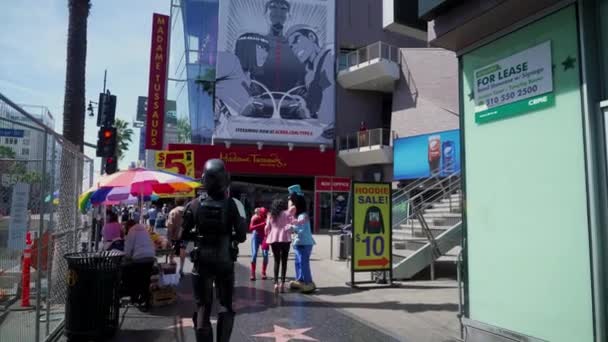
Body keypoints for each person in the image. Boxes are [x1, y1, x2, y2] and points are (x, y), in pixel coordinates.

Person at [182, 159, 247, 342]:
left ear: (204, 179)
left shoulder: (194, 205)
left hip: (201, 262)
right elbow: (242, 235)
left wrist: (196, 241)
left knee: (202, 305)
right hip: (225, 261)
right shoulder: (233, 205)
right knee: (225, 305)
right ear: (225, 179)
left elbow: (183, 235)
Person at [286, 25, 335, 125]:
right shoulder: (308, 75)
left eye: (296, 40)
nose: (294, 48)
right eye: (291, 46)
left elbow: (328, 96)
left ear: (311, 37)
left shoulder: (328, 59)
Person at [287, 186, 316, 293]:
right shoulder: (299, 216)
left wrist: (291, 228)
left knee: (303, 262)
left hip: (305, 243)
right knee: (298, 262)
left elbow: (301, 230)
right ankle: (300, 280)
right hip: (299, 243)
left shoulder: (303, 216)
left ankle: (309, 282)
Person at [122, 220, 156, 311]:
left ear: (128, 226)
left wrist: (127, 256)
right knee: (146, 279)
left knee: (136, 279)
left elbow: (128, 249)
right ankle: (146, 300)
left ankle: (136, 298)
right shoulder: (144, 229)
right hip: (150, 257)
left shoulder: (131, 231)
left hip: (139, 259)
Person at [265, 197, 293, 293]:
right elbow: (291, 225)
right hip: (285, 238)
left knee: (276, 261)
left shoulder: (270, 215)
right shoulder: (287, 213)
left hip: (274, 238)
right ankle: (282, 283)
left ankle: (276, 283)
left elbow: (267, 228)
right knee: (284, 261)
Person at [167, 198, 187, 276]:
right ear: (184, 202)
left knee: (171, 252)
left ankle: (171, 269)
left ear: (175, 202)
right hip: (187, 237)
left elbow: (170, 226)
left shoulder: (173, 212)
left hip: (174, 237)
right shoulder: (188, 210)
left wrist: (169, 238)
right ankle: (181, 269)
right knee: (184, 253)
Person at [249, 207, 269, 281]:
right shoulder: (255, 218)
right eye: (262, 214)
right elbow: (250, 228)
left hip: (264, 237)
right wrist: (261, 224)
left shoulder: (267, 218)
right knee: (254, 254)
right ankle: (252, 273)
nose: (264, 216)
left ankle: (263, 272)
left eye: (265, 214)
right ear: (260, 213)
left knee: (266, 255)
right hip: (256, 236)